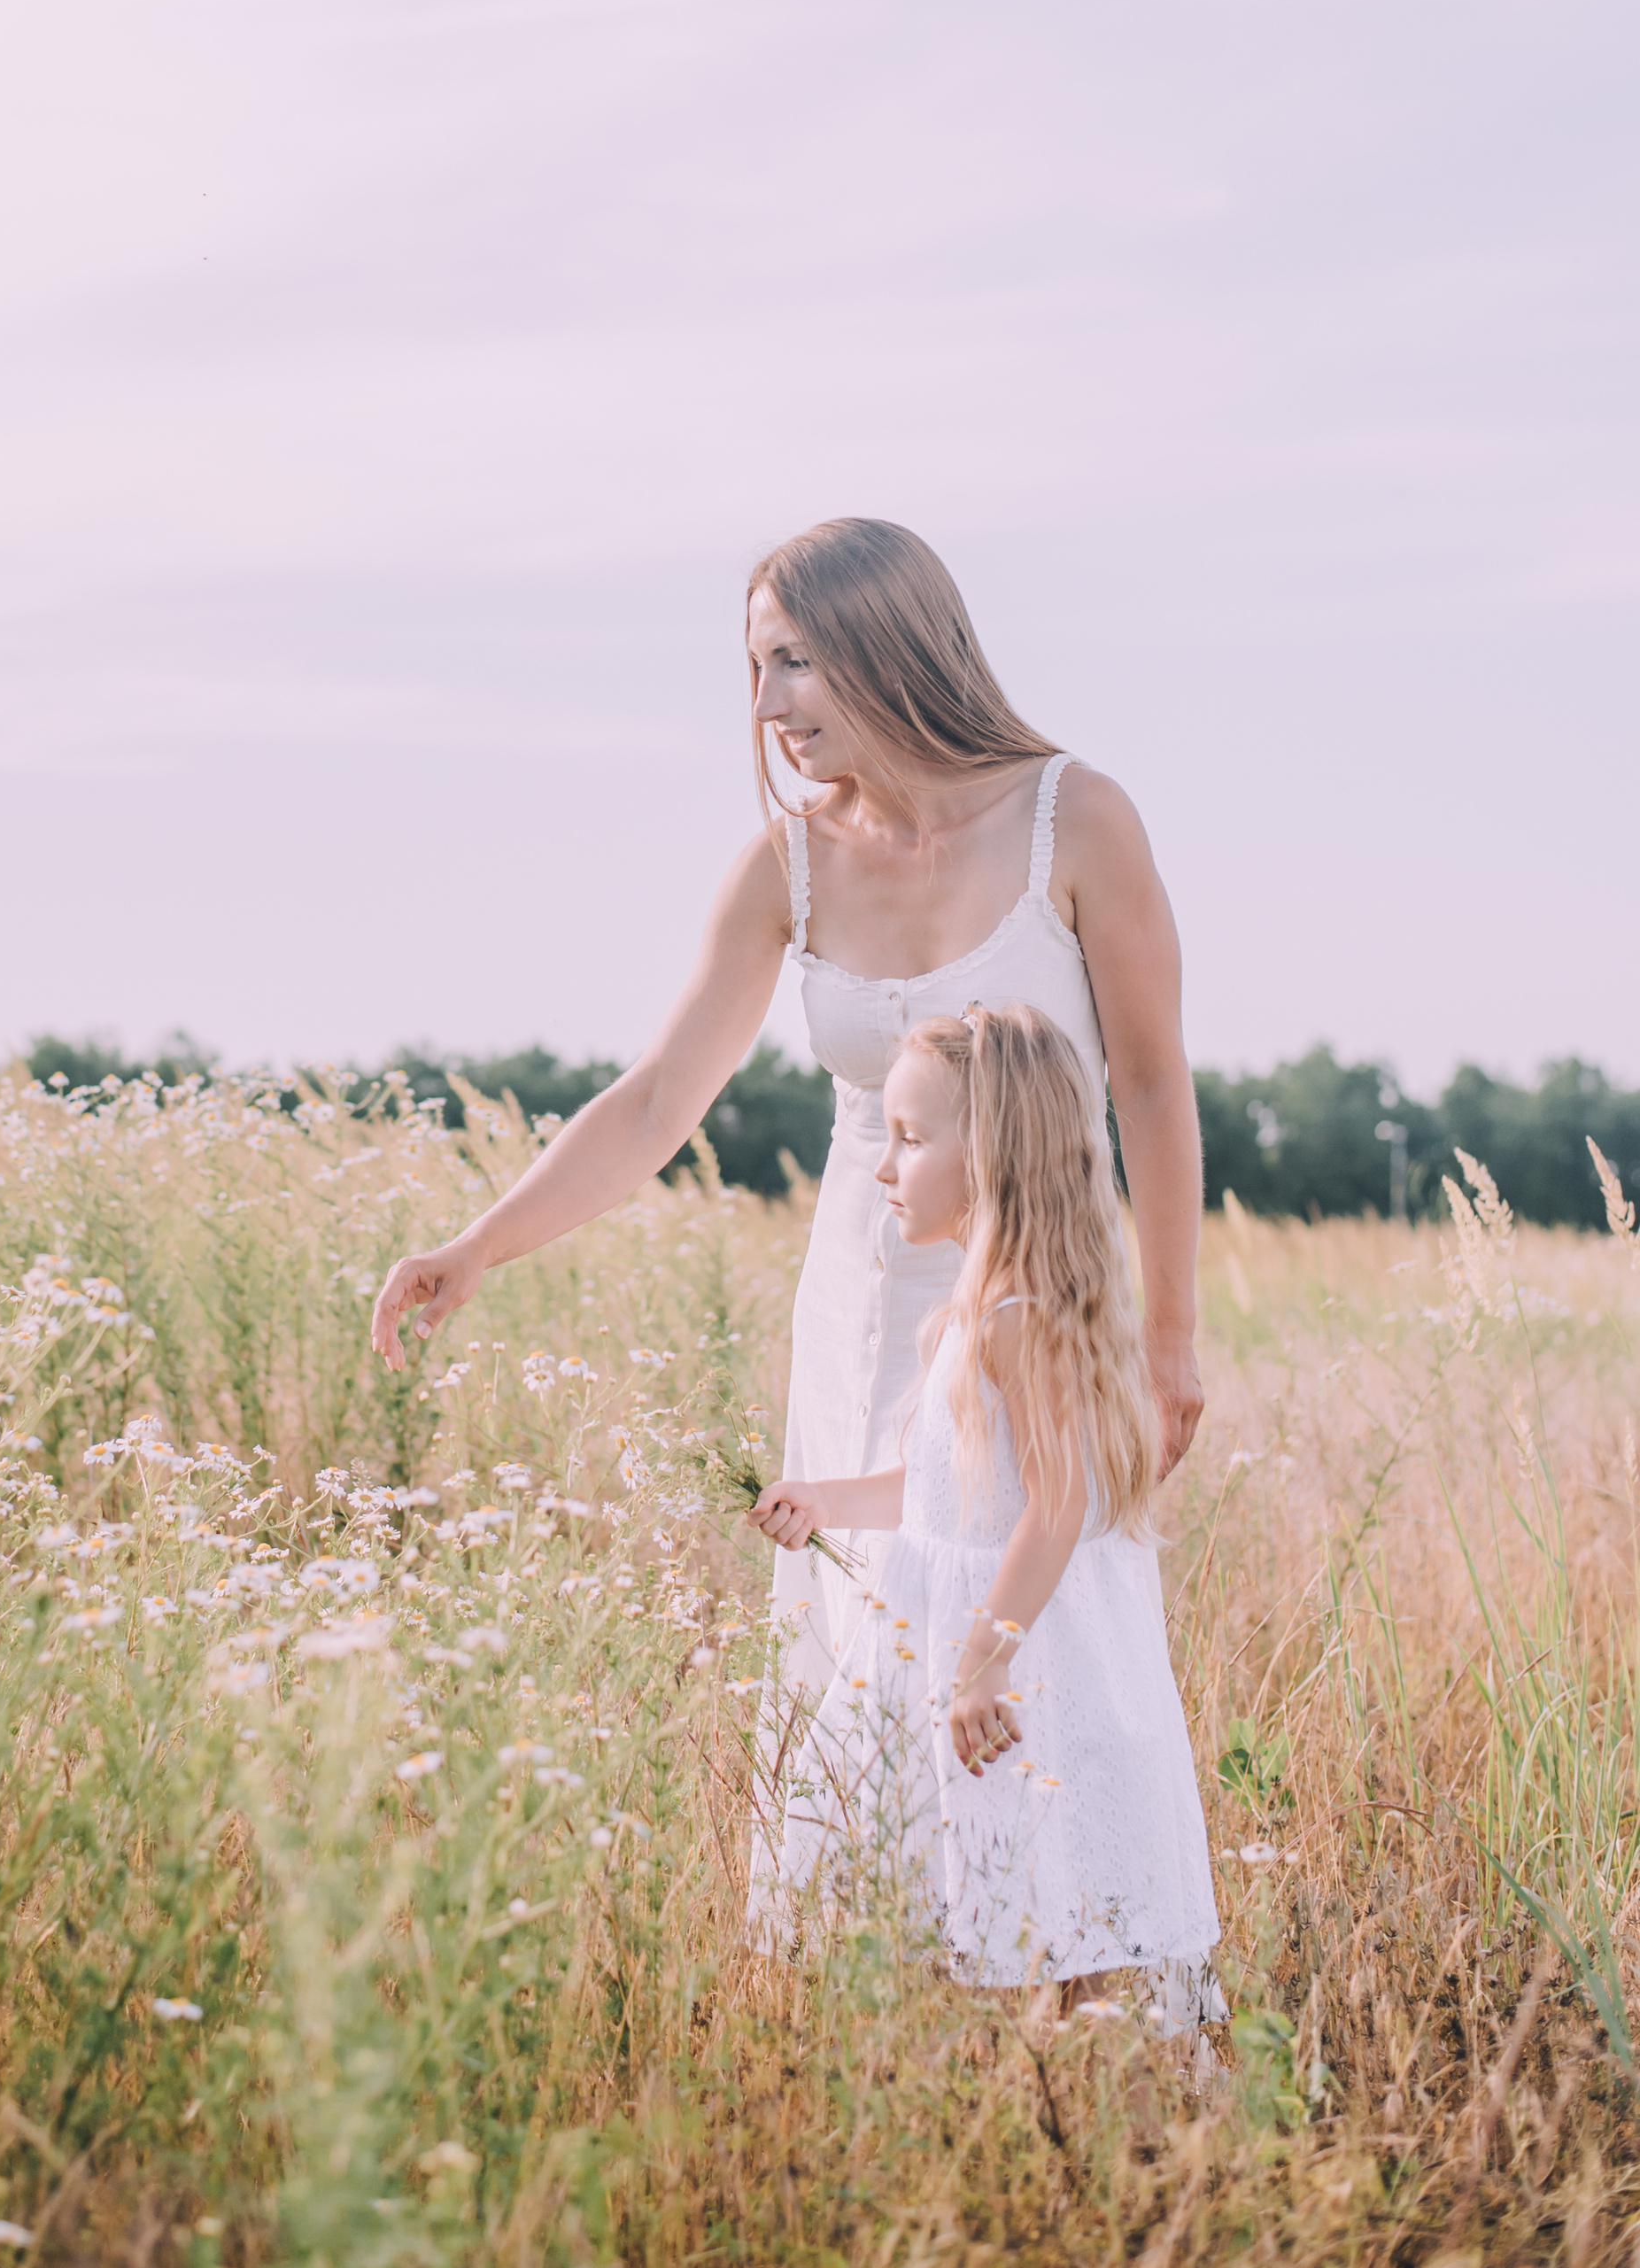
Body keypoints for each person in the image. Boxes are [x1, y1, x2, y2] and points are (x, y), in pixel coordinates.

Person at [369, 515, 1204, 1727]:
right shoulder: (787, 864)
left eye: (795, 661)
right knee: (865, 1657)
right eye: (756, 667)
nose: (766, 704)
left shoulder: (1075, 819)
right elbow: (657, 1099)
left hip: (1044, 1299)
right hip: (863, 1308)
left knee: (1043, 1648)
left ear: (890, 644)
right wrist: (477, 1245)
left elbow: (1154, 1084)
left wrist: (1170, 1334)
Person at [747, 1004, 1221, 2028]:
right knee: (977, 1890)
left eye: (911, 1138)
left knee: (1044, 1900)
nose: (884, 1166)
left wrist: (983, 1658)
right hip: (973, 1643)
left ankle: (1073, 2079)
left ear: (993, 1154)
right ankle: (1012, 2077)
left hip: (1021, 1661)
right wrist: (825, 1499)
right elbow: (945, 1494)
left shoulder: (1021, 1317)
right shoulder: (972, 1311)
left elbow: (1057, 1503)